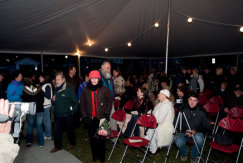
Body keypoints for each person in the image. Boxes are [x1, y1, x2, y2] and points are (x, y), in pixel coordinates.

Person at [80, 70, 112, 163]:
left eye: (96, 78)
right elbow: (82, 104)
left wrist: (107, 113)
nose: (94, 80)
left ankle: (102, 158)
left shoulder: (104, 89)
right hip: (91, 119)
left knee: (102, 139)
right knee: (92, 139)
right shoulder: (85, 89)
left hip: (102, 118)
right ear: (90, 79)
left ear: (99, 79)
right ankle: (95, 156)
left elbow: (109, 101)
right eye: (92, 78)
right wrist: (85, 116)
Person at [174, 92, 211, 163]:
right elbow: (176, 123)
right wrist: (184, 130)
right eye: (190, 100)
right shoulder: (182, 109)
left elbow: (207, 126)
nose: (192, 102)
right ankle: (184, 153)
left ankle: (194, 156)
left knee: (200, 139)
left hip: (197, 132)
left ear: (198, 101)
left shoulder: (202, 111)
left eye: (194, 100)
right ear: (187, 100)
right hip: (184, 132)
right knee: (178, 141)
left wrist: (196, 130)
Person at [51, 71, 78, 153]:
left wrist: (71, 110)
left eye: (59, 80)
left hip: (67, 115)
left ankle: (72, 143)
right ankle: (57, 146)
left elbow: (75, 102)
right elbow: (53, 102)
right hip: (58, 115)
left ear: (63, 80)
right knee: (56, 132)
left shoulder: (68, 89)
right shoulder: (56, 89)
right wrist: (53, 100)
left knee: (70, 131)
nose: (57, 81)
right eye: (56, 79)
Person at [145, 89, 174, 154]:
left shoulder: (166, 105)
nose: (158, 95)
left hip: (163, 126)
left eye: (159, 94)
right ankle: (152, 146)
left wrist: (150, 120)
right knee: (147, 130)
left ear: (164, 95)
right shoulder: (160, 104)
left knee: (150, 132)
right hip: (157, 124)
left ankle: (154, 150)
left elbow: (160, 119)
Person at [22, 75, 45, 147]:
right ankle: (41, 143)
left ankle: (29, 141)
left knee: (30, 125)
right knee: (39, 126)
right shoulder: (39, 89)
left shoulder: (25, 90)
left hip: (30, 111)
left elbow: (24, 101)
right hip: (39, 110)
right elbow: (42, 99)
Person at [99, 61, 116, 131]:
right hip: (102, 103)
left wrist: (113, 98)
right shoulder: (97, 76)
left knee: (113, 119)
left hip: (110, 102)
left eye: (110, 69)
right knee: (104, 120)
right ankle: (104, 135)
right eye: (108, 68)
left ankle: (114, 137)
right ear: (102, 67)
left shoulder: (109, 76)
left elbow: (112, 88)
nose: (109, 70)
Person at [39, 72, 53, 139]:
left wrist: (40, 91)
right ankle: (47, 134)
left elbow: (48, 96)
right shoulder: (46, 85)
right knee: (45, 121)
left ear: (44, 78)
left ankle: (48, 135)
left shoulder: (46, 85)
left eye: (40, 77)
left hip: (46, 105)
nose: (39, 78)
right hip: (45, 105)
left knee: (47, 121)